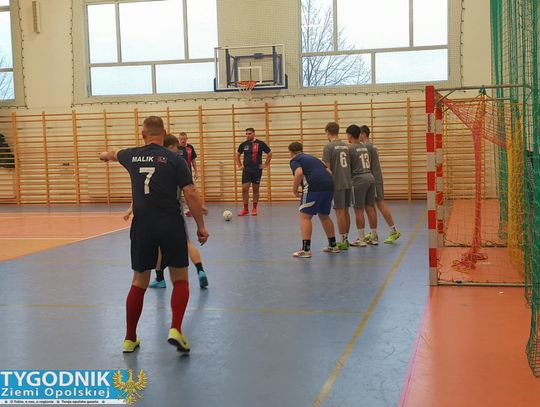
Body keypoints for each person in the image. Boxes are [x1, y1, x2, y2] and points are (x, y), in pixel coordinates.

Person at [99, 116, 209, 354]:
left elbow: (112, 153)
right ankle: (176, 329)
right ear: (165, 133)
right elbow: (190, 193)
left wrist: (104, 156)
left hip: (143, 225)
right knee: (180, 278)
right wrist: (201, 226)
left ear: (143, 135)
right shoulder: (176, 159)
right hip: (171, 224)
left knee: (139, 281)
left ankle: (130, 338)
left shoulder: (131, 155)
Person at [147, 134, 208, 289]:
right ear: (168, 147)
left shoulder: (157, 164)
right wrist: (200, 206)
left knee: (159, 247)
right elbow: (191, 191)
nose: (178, 151)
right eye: (176, 148)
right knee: (186, 242)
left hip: (157, 213)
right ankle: (200, 270)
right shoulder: (178, 164)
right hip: (175, 211)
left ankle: (160, 278)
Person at [288, 141, 340, 258]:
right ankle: (333, 245)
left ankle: (306, 249)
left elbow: (299, 173)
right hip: (329, 187)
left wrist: (295, 190)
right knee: (324, 216)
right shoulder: (314, 159)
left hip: (313, 188)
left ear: (291, 152)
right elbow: (329, 172)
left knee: (305, 216)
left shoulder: (295, 160)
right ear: (302, 149)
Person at [358, 125, 401, 244]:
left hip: (373, 179)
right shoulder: (371, 145)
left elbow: (368, 164)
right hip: (375, 178)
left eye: (359, 134)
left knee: (380, 203)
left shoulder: (366, 146)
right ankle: (373, 232)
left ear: (363, 134)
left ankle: (394, 230)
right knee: (370, 206)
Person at [345, 124, 378, 247]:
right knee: (370, 208)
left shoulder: (350, 149)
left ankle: (361, 238)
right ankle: (374, 237)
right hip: (370, 177)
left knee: (358, 210)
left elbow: (347, 167)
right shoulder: (364, 147)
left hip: (358, 180)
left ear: (349, 135)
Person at [322, 122, 352, 250]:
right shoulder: (346, 146)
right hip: (348, 181)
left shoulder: (328, 146)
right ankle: (346, 239)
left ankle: (342, 241)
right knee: (346, 211)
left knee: (339, 212)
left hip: (337, 183)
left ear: (328, 132)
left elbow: (326, 167)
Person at [236, 128, 272, 216]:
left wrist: (266, 164)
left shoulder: (260, 143)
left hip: (257, 170)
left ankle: (254, 208)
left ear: (254, 134)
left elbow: (269, 153)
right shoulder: (243, 144)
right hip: (246, 170)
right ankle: (245, 209)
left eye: (249, 133)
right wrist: (239, 165)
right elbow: (237, 154)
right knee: (245, 189)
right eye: (246, 134)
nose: (248, 135)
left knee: (255, 189)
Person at [178, 132, 199, 217]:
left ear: (187, 139)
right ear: (179, 139)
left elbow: (193, 160)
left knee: (189, 193)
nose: (183, 141)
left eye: (184, 139)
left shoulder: (190, 147)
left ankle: (188, 209)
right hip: (177, 175)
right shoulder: (176, 148)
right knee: (178, 194)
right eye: (181, 139)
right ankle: (178, 210)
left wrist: (196, 171)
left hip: (188, 174)